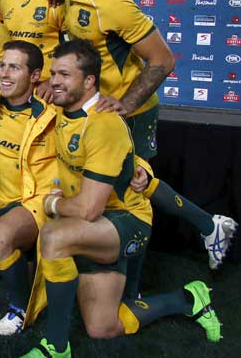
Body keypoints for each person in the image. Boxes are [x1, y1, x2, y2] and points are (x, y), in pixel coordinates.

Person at [38, 0, 237, 269]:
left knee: (134, 182)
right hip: (100, 112)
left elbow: (163, 59)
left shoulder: (112, 3)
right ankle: (208, 226)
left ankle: (193, 236)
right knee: (130, 180)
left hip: (128, 112)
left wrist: (127, 104)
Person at [20, 39, 220, 358]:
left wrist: (51, 203)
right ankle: (188, 299)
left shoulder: (102, 125)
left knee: (54, 235)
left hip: (126, 222)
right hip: (92, 226)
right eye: (53, 72)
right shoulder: (60, 110)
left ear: (88, 81)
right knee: (103, 328)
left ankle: (55, 347)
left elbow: (89, 208)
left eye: (64, 75)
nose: (54, 81)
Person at [0, 41, 57, 335]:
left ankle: (20, 309)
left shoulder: (53, 114)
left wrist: (140, 167)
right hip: (1, 198)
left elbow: (98, 139)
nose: (4, 73)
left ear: (35, 76)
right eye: (1, 65)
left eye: (15, 67)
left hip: (39, 202)